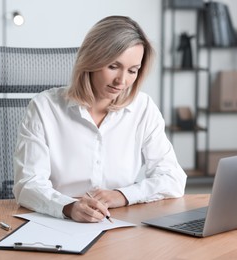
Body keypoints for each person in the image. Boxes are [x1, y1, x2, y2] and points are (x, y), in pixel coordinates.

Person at [13, 15, 187, 223]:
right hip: (59, 221)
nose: (122, 81)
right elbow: (28, 184)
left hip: (119, 223)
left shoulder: (143, 108)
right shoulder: (44, 107)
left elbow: (173, 179)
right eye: (113, 66)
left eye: (132, 71)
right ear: (92, 60)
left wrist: (123, 195)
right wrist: (68, 207)